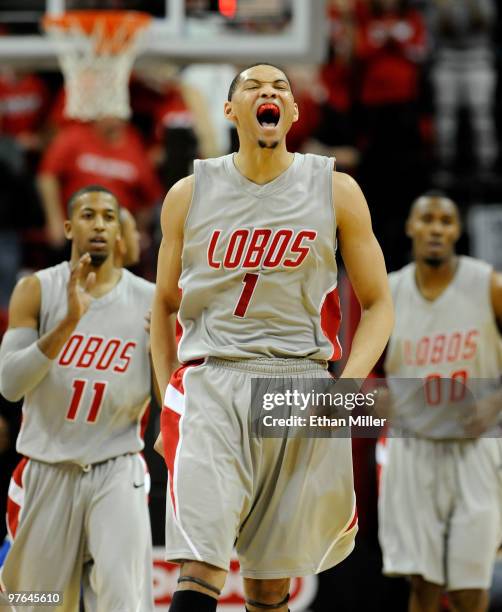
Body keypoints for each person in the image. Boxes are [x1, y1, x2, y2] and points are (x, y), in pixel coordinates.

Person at [150, 62, 393, 612]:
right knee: (201, 559)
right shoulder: (188, 194)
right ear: (231, 110)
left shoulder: (337, 189)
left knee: (268, 585)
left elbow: (379, 305)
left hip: (298, 384)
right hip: (212, 380)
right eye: (254, 86)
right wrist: (164, 403)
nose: (269, 91)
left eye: (281, 86)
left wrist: (345, 390)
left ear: (294, 111)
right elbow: (163, 309)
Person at [0, 185, 155, 612]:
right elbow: (10, 384)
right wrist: (69, 322)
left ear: (121, 232)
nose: (100, 224)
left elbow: (169, 393)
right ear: (68, 227)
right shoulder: (36, 289)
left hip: (116, 467)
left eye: (109, 216)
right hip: (49, 469)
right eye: (88, 215)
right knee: (39, 603)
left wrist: (165, 346)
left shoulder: (150, 301)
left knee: (125, 600)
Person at [378, 192, 502, 612]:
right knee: (423, 586)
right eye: (426, 219)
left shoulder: (488, 284)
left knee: (470, 588)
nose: (435, 228)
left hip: (476, 450)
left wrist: (495, 402)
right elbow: (367, 373)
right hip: (413, 449)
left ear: (457, 231)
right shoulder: (389, 292)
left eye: (445, 221)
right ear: (411, 227)